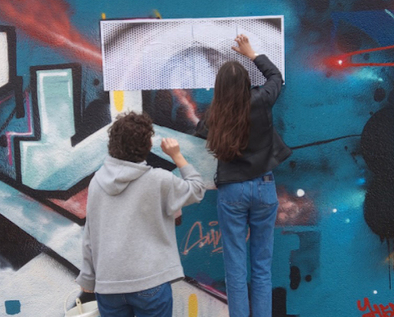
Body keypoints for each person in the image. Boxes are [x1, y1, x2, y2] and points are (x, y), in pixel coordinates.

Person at [195, 34, 292, 317]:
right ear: (247, 83)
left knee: (235, 270)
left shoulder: (215, 115)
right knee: (262, 268)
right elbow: (276, 77)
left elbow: (200, 129)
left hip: (232, 192)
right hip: (264, 188)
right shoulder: (261, 100)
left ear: (219, 87)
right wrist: (252, 54)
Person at [76, 111, 206, 317]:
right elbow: (197, 189)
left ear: (113, 144)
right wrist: (176, 155)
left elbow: (89, 236)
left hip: (109, 285)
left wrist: (87, 279)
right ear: (146, 146)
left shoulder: (97, 183)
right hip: (150, 281)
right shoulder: (159, 180)